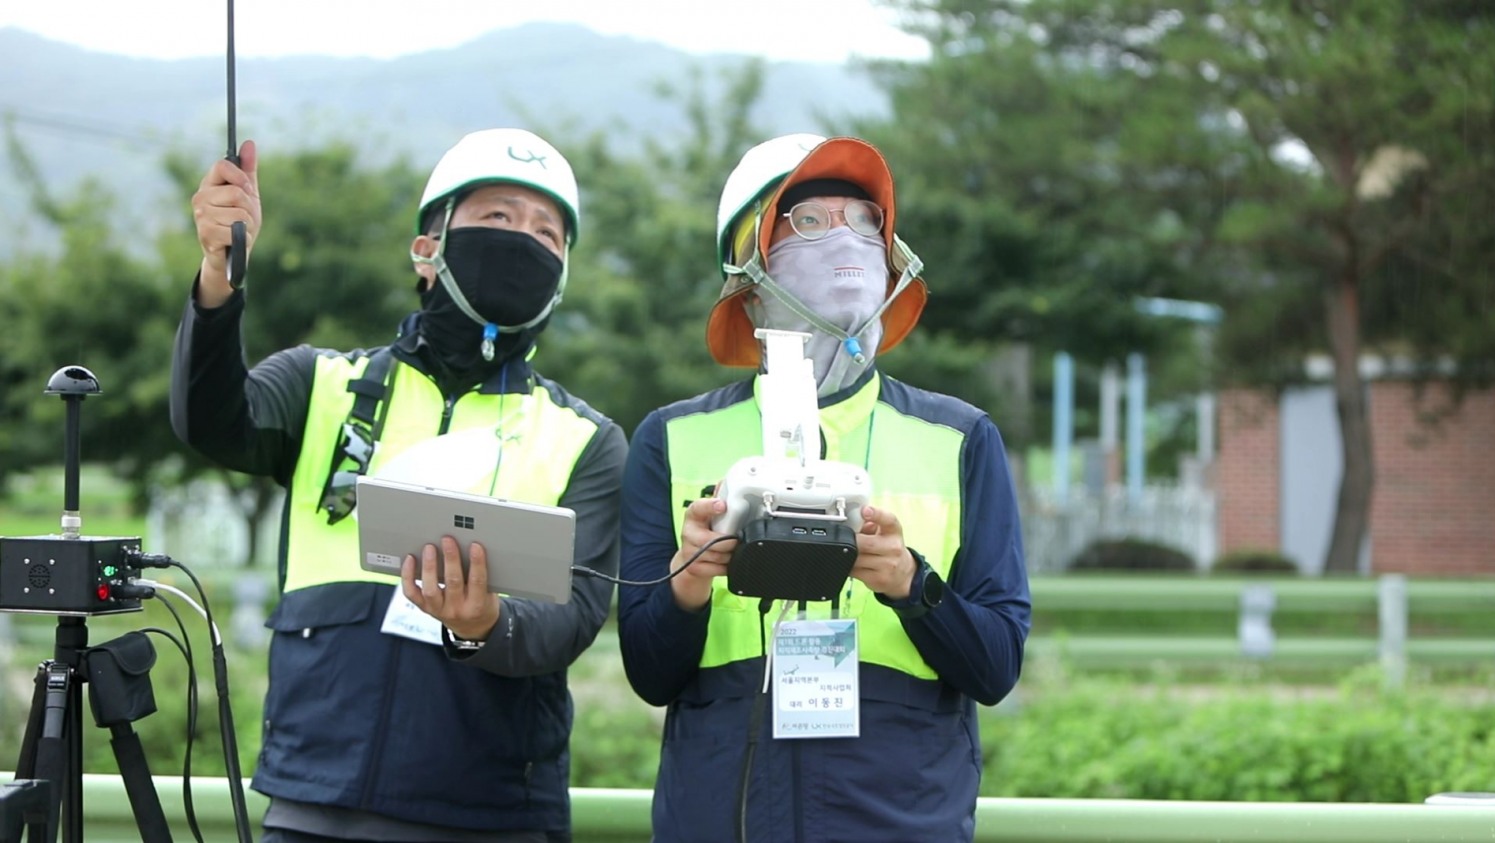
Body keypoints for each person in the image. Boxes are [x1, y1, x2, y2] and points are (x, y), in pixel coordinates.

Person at [171, 128, 625, 842]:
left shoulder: (588, 439)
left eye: (548, 233)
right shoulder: (320, 382)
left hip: (494, 816)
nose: (524, 240)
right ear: (427, 249)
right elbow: (209, 421)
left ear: (562, 275)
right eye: (498, 218)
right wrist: (220, 271)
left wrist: (484, 625)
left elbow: (572, 620)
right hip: (312, 801)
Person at [615, 133, 1032, 842]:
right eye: (807, 220)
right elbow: (650, 673)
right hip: (721, 819)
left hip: (902, 821)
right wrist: (685, 587)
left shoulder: (960, 437)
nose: (847, 239)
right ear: (746, 268)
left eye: (866, 220)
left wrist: (910, 583)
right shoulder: (671, 437)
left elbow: (995, 665)